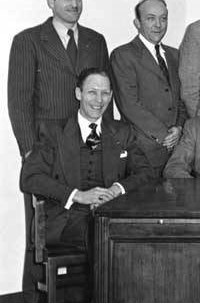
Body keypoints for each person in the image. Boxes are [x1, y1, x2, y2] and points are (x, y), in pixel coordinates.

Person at [7, 0, 110, 303]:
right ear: (51, 1)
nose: (74, 4)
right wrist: (28, 151)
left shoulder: (96, 40)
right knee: (42, 228)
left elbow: (103, 91)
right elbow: (19, 100)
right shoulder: (28, 41)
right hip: (48, 151)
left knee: (90, 220)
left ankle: (87, 302)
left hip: (89, 145)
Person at [20, 68, 153, 250]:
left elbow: (145, 172)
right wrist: (79, 196)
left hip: (110, 217)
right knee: (106, 236)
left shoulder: (122, 131)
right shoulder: (53, 132)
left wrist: (116, 190)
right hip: (65, 221)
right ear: (78, 93)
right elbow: (31, 178)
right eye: (92, 92)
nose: (99, 100)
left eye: (105, 93)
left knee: (140, 235)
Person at [111, 0, 187, 176]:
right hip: (143, 152)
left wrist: (179, 128)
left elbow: (182, 99)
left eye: (163, 18)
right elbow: (129, 104)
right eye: (150, 18)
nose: (158, 25)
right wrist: (164, 135)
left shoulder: (175, 55)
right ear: (137, 22)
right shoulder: (123, 55)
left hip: (176, 152)